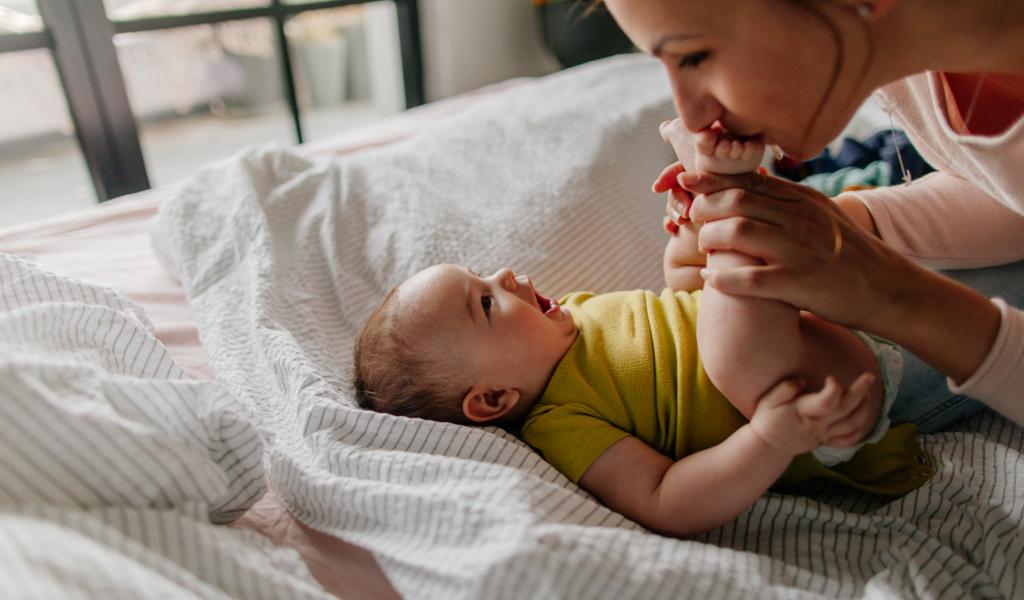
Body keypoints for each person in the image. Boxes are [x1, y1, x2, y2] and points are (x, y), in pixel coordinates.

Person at [352, 128, 932, 538]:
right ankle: (734, 196)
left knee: (723, 283)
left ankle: (729, 215)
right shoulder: (562, 423)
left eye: (483, 274)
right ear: (494, 399)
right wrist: (771, 439)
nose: (502, 275)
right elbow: (667, 500)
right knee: (732, 347)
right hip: (813, 398)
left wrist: (686, 242)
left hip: (832, 317)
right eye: (484, 301)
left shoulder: (576, 314)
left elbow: (680, 301)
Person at [600, 0, 1024, 431]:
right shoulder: (904, 50)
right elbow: (1007, 186)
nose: (690, 113)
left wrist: (894, 295)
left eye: (695, 57)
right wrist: (842, 226)